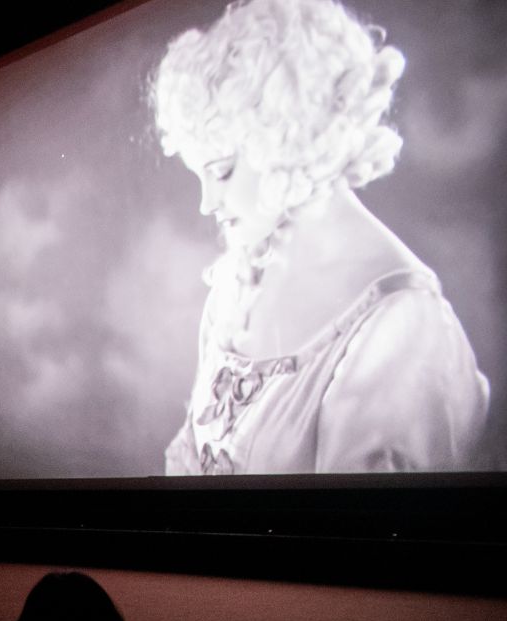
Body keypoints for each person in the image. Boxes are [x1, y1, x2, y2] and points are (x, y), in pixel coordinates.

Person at [153, 0, 488, 475]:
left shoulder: (404, 326)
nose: (206, 203)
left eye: (222, 171)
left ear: (288, 139)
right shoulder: (241, 281)